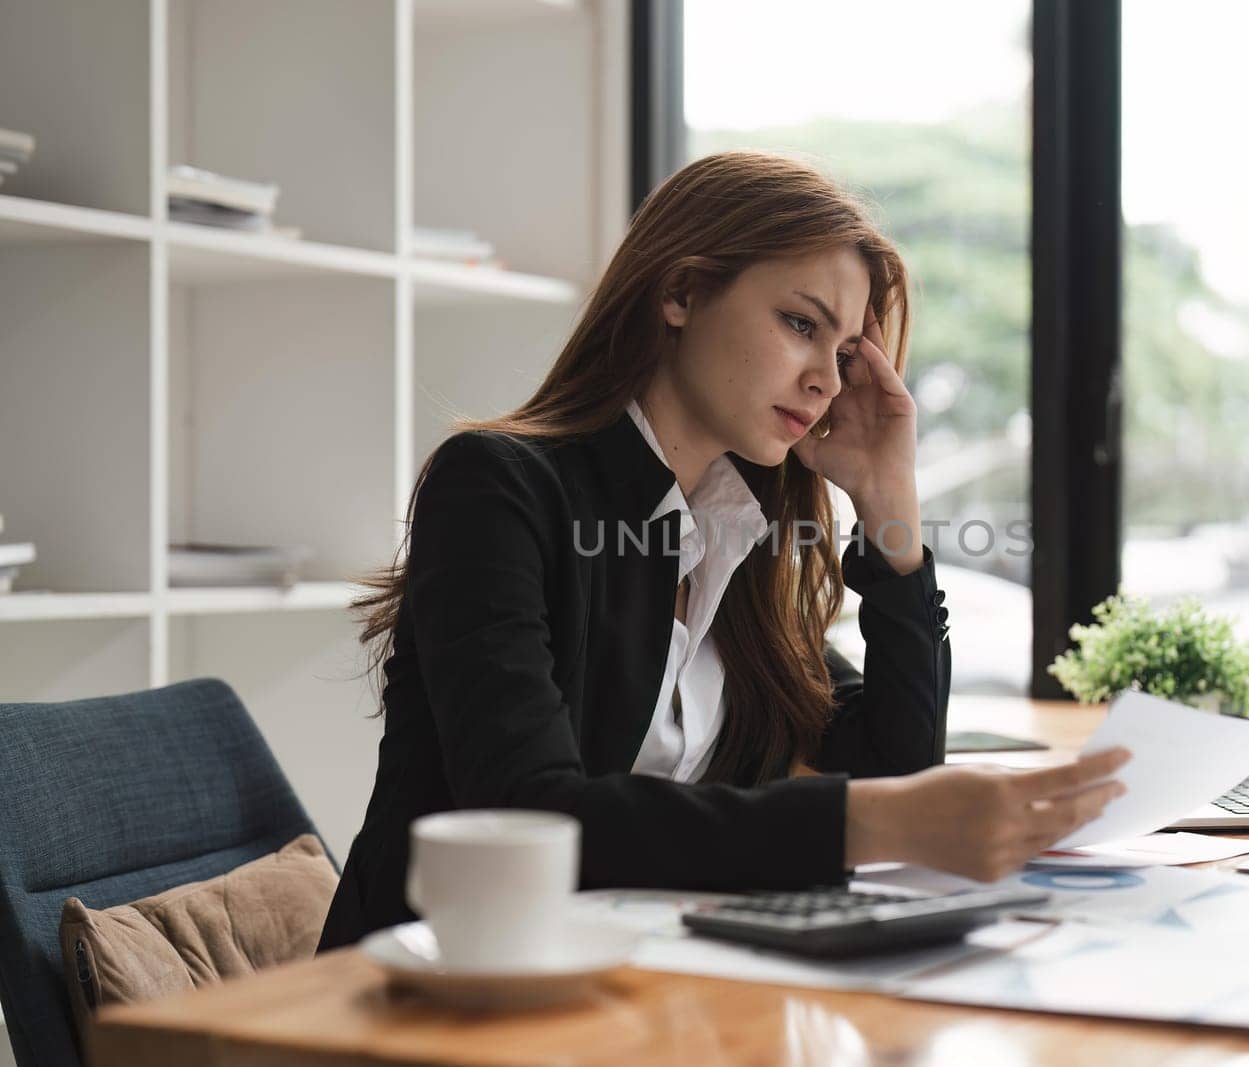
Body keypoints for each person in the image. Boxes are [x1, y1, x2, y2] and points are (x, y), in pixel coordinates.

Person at [317, 150, 1129, 951]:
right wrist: (869, 821)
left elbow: (895, 764)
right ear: (680, 292)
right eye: (801, 324)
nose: (826, 382)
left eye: (845, 355)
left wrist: (889, 504)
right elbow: (535, 813)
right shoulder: (500, 488)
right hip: (433, 995)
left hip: (633, 987)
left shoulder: (734, 532)